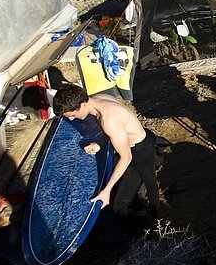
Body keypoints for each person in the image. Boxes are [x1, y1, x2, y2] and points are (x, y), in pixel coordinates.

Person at [52, 84, 159, 218]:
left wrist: (106, 191)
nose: (72, 119)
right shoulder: (99, 99)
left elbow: (126, 157)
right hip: (133, 143)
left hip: (140, 151)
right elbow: (117, 131)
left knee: (146, 185)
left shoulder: (108, 119)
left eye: (73, 115)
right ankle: (141, 209)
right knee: (127, 183)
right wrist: (99, 144)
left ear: (83, 104)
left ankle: (156, 221)